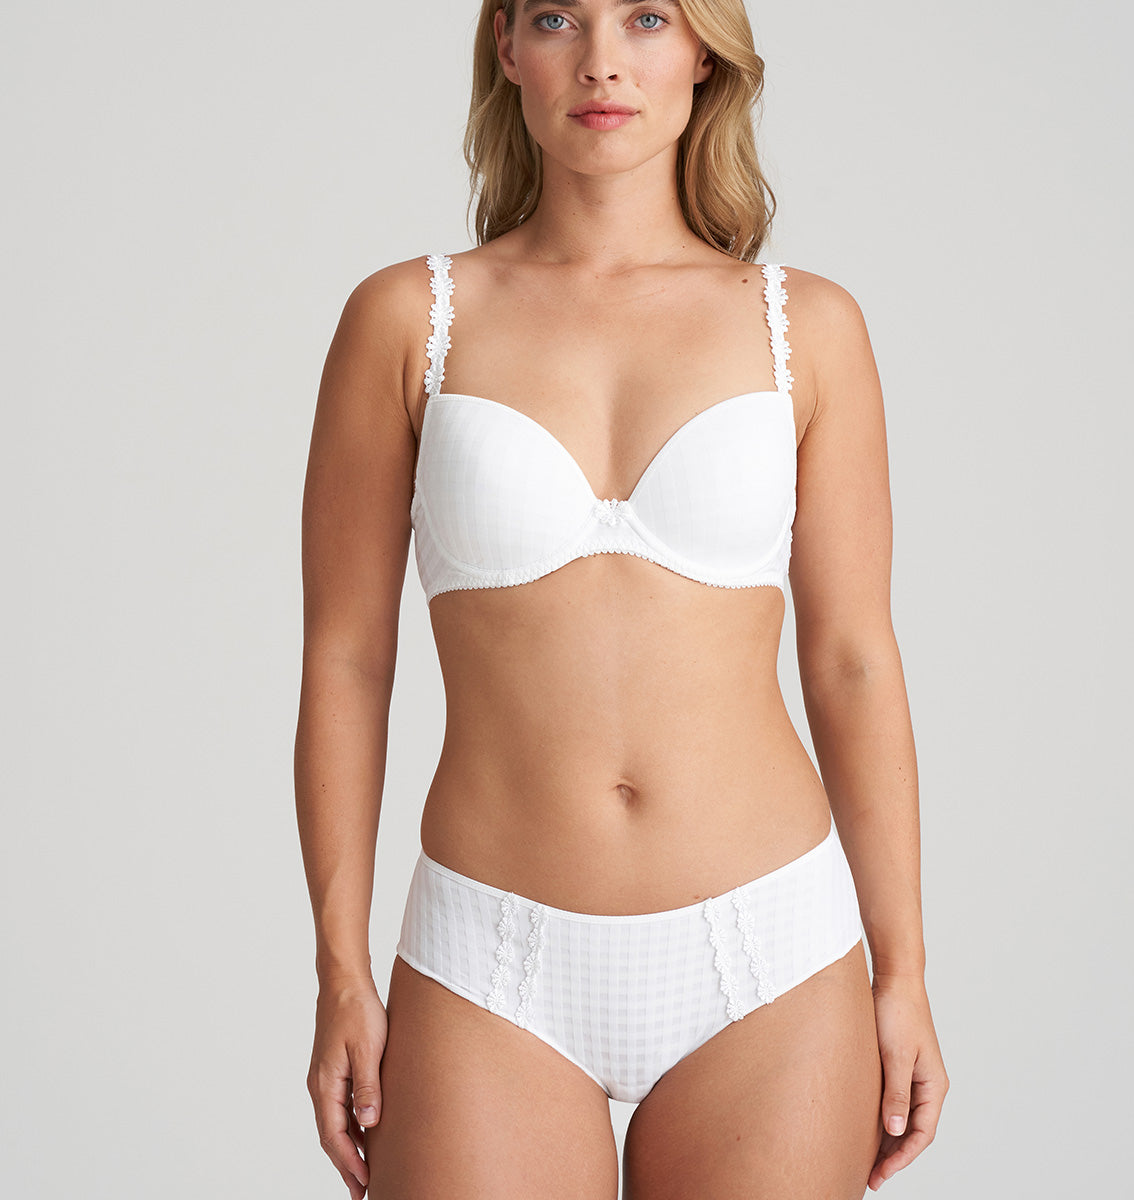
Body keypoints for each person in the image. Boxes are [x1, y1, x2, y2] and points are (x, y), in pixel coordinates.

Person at [295, 1, 950, 1196]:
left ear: (703, 50)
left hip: (771, 952)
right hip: (490, 957)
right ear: (508, 47)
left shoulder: (808, 328)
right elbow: (346, 658)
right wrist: (341, 969)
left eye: (647, 18)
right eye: (559, 17)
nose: (602, 61)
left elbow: (852, 659)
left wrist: (903, 971)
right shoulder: (407, 320)